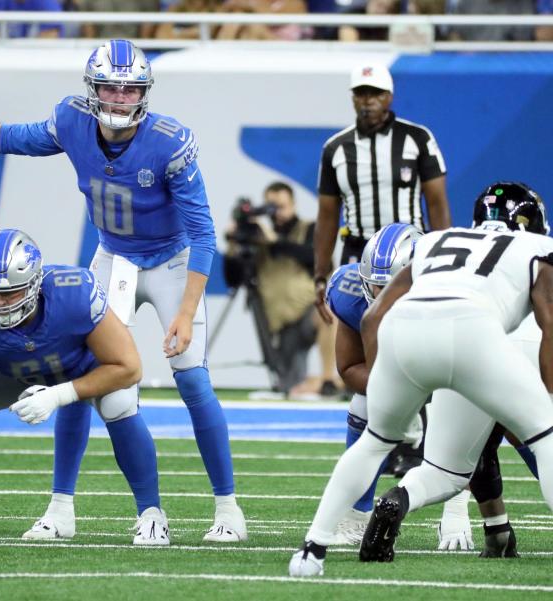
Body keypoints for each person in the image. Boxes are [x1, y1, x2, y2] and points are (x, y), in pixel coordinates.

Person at [0, 39, 246, 543]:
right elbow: (5, 136)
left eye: (130, 88)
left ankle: (228, 510)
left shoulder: (169, 141)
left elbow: (203, 233)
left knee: (192, 379)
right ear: (91, 89)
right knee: (76, 365)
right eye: (110, 88)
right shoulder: (72, 120)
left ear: (145, 91)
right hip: (114, 257)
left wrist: (184, 311)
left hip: (171, 261)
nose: (120, 99)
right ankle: (61, 508)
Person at [290, 181, 553, 577]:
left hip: (405, 333)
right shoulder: (536, 248)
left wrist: (390, 395)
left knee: (383, 446)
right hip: (476, 332)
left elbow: (374, 316)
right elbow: (548, 324)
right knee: (545, 437)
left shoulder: (436, 241)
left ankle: (311, 550)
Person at [0, 229, 169, 545]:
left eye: (10, 293)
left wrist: (60, 394)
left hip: (86, 367)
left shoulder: (74, 293)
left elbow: (129, 367)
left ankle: (151, 513)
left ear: (35, 284)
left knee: (118, 405)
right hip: (17, 373)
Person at [325, 222, 473, 549]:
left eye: (390, 286)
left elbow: (463, 387)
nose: (380, 297)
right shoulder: (349, 292)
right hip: (405, 371)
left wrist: (456, 507)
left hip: (464, 373)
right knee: (363, 405)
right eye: (374, 287)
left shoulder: (453, 298)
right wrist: (395, 395)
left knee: (515, 425)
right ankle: (357, 514)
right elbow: (349, 369)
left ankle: (465, 509)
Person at [313, 61, 450, 323]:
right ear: (353, 98)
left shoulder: (417, 138)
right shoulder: (336, 148)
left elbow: (437, 203)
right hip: (357, 249)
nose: (368, 101)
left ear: (389, 97)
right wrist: (320, 274)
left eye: (375, 93)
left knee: (413, 324)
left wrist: (441, 257)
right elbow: (328, 215)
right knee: (355, 328)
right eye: (361, 93)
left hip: (409, 250)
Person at [225, 181, 340, 397]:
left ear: (294, 204)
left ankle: (327, 378)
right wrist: (233, 245)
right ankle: (324, 384)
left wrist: (275, 241)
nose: (276, 212)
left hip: (308, 312)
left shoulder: (309, 228)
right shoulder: (258, 237)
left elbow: (319, 261)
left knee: (329, 313)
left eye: (282, 206)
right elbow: (232, 279)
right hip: (282, 325)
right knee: (291, 388)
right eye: (271, 206)